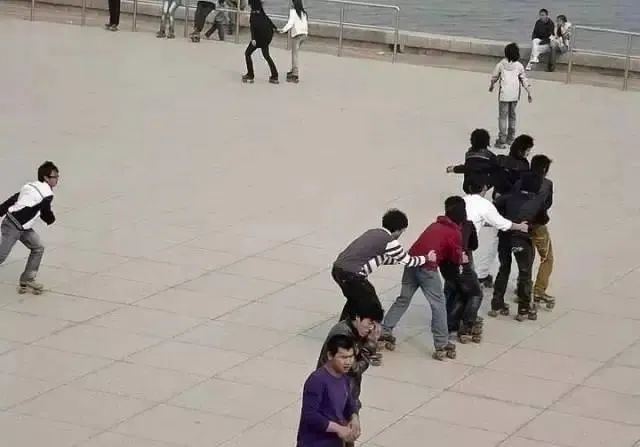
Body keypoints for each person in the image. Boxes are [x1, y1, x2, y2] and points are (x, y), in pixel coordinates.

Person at [332, 209, 428, 365]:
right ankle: (363, 345)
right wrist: (426, 258)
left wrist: (402, 257)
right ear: (398, 230)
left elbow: (381, 259)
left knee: (354, 303)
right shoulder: (389, 241)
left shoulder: (373, 233)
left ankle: (340, 336)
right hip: (353, 275)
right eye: (402, 232)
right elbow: (408, 261)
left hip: (339, 270)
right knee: (372, 308)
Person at [380, 197, 468, 361]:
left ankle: (384, 331)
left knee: (404, 298)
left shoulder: (434, 225)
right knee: (438, 304)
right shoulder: (455, 232)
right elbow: (455, 257)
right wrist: (461, 258)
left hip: (411, 262)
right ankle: (441, 343)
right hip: (427, 267)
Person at [316, 297, 383, 446]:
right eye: (370, 322)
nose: (372, 328)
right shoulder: (342, 336)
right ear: (358, 318)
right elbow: (354, 369)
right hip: (333, 398)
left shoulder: (357, 332)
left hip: (346, 396)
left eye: (375, 324)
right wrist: (370, 344)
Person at [491, 172, 548, 321]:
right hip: (522, 240)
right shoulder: (537, 201)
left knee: (504, 268)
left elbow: (494, 209)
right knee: (525, 273)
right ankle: (523, 309)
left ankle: (496, 304)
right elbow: (543, 220)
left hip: (504, 237)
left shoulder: (508, 197)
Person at [0, 162, 59, 294]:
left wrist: (1, 210)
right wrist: (51, 220)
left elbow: (14, 198)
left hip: (22, 227)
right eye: (54, 177)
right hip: (13, 226)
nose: (57, 179)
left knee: (38, 248)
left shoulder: (30, 185)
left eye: (57, 176)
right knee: (1, 256)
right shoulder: (47, 194)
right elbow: (45, 212)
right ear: (46, 178)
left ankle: (27, 279)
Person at [463, 175, 529, 289]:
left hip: (455, 239)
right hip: (465, 244)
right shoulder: (485, 205)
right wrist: (520, 226)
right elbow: (503, 224)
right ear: (484, 188)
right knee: (469, 277)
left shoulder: (462, 200)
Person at [297, 334, 360, 447]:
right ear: (330, 355)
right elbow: (310, 415)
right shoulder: (317, 380)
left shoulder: (345, 377)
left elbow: (349, 403)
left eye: (351, 357)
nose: (348, 362)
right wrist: (338, 429)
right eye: (343, 357)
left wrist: (354, 417)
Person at [442, 218, 483, 343]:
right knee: (475, 293)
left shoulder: (440, 226)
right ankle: (467, 325)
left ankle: (450, 324)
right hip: (462, 265)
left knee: (455, 292)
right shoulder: (467, 225)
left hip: (447, 268)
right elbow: (474, 245)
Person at [490, 43, 532, 149]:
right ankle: (511, 138)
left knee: (503, 117)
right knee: (512, 116)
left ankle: (502, 140)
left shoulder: (501, 65)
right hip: (514, 95)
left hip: (504, 95)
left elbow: (494, 77)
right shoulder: (519, 66)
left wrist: (492, 85)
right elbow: (524, 79)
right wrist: (528, 92)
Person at [529, 155, 555, 309]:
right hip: (538, 225)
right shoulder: (547, 184)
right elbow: (547, 203)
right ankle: (539, 290)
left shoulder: (521, 180)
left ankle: (523, 288)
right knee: (547, 258)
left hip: (522, 225)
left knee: (527, 258)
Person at [446, 128, 498, 193]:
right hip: (483, 184)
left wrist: (453, 169)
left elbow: (466, 168)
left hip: (468, 185)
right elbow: (496, 169)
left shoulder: (469, 155)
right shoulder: (490, 156)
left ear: (472, 141)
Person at [242, 0, 279, 84]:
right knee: (266, 56)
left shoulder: (253, 13)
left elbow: (253, 27)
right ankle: (275, 76)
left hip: (258, 39)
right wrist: (276, 28)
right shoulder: (261, 11)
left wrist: (253, 39)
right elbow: (268, 20)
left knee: (247, 54)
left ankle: (250, 75)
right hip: (266, 38)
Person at [279, 0, 309, 83]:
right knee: (296, 53)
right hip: (304, 34)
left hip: (297, 35)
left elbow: (290, 23)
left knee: (295, 55)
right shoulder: (303, 13)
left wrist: (283, 30)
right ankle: (293, 70)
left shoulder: (293, 11)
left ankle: (295, 74)